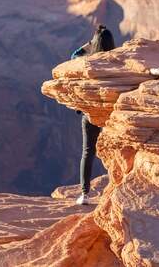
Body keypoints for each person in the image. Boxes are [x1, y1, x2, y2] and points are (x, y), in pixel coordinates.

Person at [70, 25, 116, 205]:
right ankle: (116, 190)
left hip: (90, 114)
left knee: (88, 152)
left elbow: (73, 56)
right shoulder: (117, 60)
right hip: (111, 116)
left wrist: (89, 45)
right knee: (115, 152)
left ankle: (84, 194)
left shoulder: (88, 62)